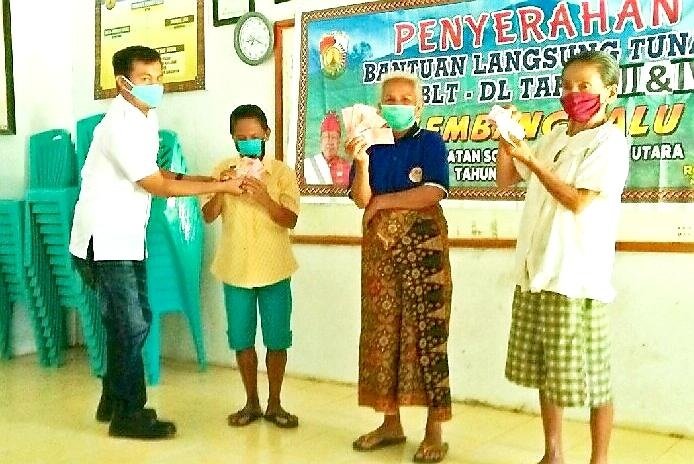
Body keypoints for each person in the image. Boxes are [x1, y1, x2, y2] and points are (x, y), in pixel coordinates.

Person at [70, 45, 245, 440]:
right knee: (131, 324)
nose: (155, 85)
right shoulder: (119, 125)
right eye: (145, 78)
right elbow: (156, 185)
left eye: (158, 77)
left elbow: (158, 171)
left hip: (126, 237)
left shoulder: (145, 117)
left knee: (129, 322)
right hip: (105, 238)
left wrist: (206, 179)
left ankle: (113, 398)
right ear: (123, 83)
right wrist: (221, 188)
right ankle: (129, 415)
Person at [496, 50, 629, 464]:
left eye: (585, 86)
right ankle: (552, 453)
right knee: (547, 372)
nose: (574, 94)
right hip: (538, 271)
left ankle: (599, 459)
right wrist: (506, 141)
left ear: (610, 92)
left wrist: (532, 162)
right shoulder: (554, 137)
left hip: (577, 277)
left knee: (594, 378)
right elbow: (505, 180)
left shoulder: (610, 142)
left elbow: (576, 201)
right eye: (568, 86)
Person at [346, 72, 452, 463]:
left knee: (426, 333)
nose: (397, 104)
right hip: (379, 255)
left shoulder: (430, 142)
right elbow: (361, 199)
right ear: (379, 106)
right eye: (390, 99)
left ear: (418, 107)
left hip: (424, 250)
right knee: (382, 333)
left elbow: (433, 191)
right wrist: (360, 163)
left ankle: (434, 431)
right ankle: (390, 424)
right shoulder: (370, 146)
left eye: (406, 99)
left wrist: (384, 202)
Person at [202, 104, 300, 429]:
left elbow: (291, 220)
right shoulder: (222, 169)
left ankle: (275, 404)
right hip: (235, 269)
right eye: (241, 138)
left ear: (266, 134)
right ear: (233, 138)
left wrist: (264, 198)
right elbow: (208, 215)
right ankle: (251, 403)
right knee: (241, 340)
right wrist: (222, 187)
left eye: (254, 136)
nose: (248, 143)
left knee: (277, 339)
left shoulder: (282, 173)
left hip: (275, 269)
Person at [304, 111, 351, 187]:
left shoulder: (348, 168)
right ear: (321, 140)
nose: (329, 142)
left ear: (339, 141)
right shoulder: (307, 165)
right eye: (326, 137)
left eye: (334, 137)